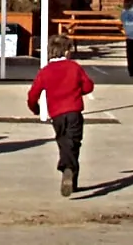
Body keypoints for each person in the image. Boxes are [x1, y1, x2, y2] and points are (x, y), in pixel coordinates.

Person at [28, 36, 95, 197]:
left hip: (56, 114)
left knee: (64, 142)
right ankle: (69, 170)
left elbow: (33, 94)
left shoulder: (46, 71)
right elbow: (88, 86)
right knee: (74, 144)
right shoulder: (73, 67)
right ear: (66, 52)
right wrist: (77, 91)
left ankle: (68, 172)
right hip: (74, 111)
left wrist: (35, 108)